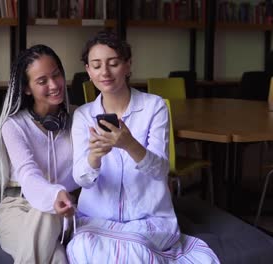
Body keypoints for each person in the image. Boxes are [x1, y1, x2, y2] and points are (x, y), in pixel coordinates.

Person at [66, 31, 220, 263]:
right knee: (80, 248)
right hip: (97, 220)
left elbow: (161, 170)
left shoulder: (153, 107)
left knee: (135, 251)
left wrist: (129, 145)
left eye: (113, 63)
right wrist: (94, 158)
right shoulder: (83, 115)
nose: (104, 72)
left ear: (128, 65)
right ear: (88, 71)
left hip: (149, 219)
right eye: (96, 65)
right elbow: (81, 179)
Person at [0, 44, 78, 264]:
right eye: (42, 81)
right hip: (18, 209)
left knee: (50, 216)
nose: (54, 85)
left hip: (65, 210)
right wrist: (54, 195)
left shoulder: (79, 119)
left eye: (56, 75)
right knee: (58, 257)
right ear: (27, 88)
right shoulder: (13, 126)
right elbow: (28, 174)